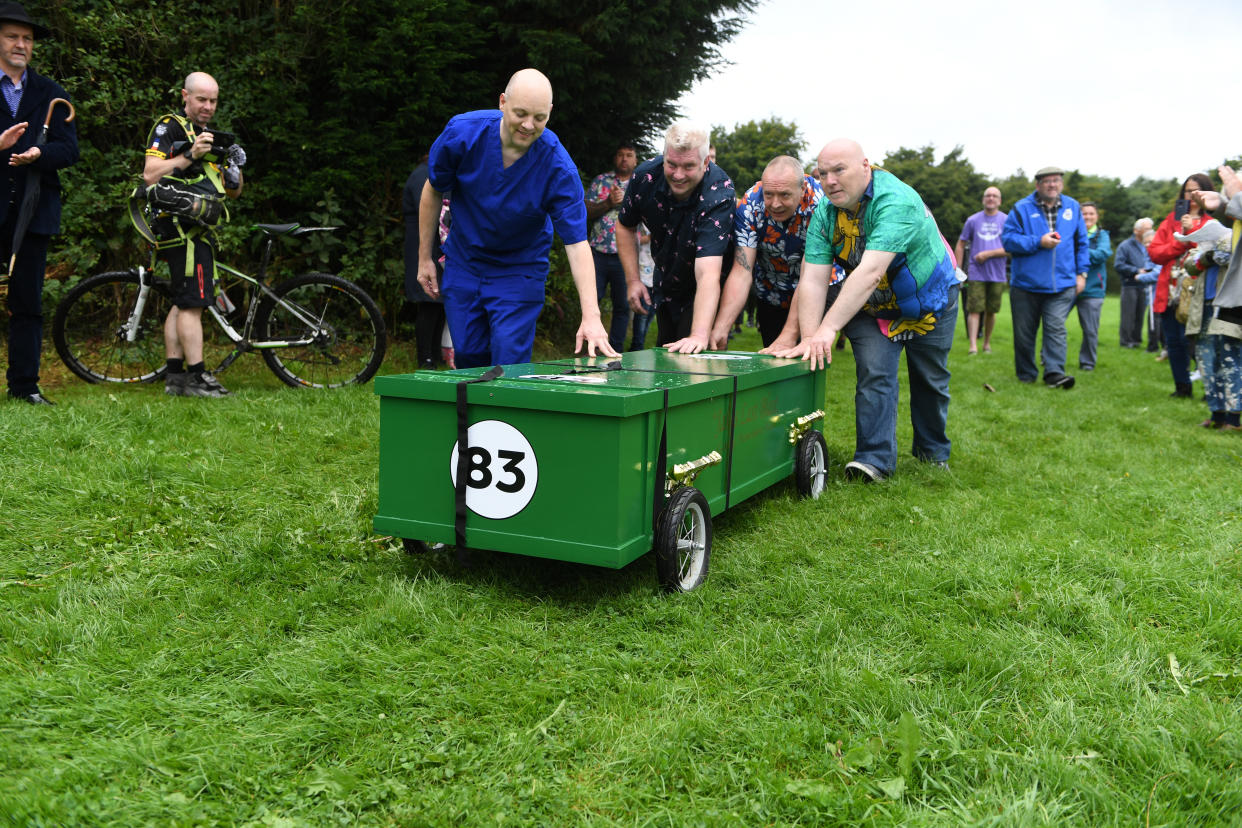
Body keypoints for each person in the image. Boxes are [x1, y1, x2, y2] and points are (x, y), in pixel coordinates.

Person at [778, 139, 959, 481]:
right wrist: (809, 336)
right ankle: (873, 461)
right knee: (875, 373)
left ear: (866, 166)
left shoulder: (896, 201)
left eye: (839, 170)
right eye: (822, 173)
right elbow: (814, 279)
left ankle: (933, 453)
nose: (829, 181)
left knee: (930, 380)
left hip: (931, 301)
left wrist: (829, 329)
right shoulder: (825, 214)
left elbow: (871, 270)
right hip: (874, 306)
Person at [416, 68, 615, 368]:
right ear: (502, 102)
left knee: (509, 360)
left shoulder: (558, 167)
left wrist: (591, 315)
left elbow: (576, 243)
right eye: (520, 113)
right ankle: (475, 416)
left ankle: (508, 411)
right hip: (465, 262)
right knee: (469, 356)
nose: (528, 125)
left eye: (539, 118)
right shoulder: (463, 133)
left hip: (519, 270)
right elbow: (432, 189)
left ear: (549, 112)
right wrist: (424, 258)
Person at [143, 71, 244, 398]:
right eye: (201, 99)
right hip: (177, 226)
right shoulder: (169, 126)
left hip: (199, 227)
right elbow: (150, 175)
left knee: (182, 301)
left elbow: (232, 194)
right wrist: (190, 155)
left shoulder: (210, 135)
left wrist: (234, 171)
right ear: (185, 97)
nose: (208, 106)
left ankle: (175, 379)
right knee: (193, 304)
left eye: (213, 100)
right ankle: (198, 377)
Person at [0, 2, 77, 405]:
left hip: (34, 214)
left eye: (27, 39)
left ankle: (25, 386)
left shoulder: (52, 93)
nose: (21, 44)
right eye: (12, 36)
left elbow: (70, 150)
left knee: (27, 302)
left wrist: (38, 156)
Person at [616, 121, 734, 352]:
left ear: (705, 162)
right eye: (671, 164)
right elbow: (625, 226)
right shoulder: (644, 178)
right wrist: (633, 280)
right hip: (667, 279)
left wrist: (699, 335)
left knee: (695, 362)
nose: (678, 175)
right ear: (664, 156)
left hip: (708, 284)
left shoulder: (719, 193)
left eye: (689, 166)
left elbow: (708, 272)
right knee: (667, 356)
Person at [709, 155, 822, 349]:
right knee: (774, 357)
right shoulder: (750, 204)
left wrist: (790, 333)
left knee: (807, 357)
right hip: (771, 291)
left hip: (816, 288)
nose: (775, 204)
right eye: (769, 194)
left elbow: (810, 276)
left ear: (802, 189)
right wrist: (721, 327)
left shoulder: (820, 204)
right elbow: (741, 272)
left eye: (785, 195)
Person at [1001, 166, 1088, 389]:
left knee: (1056, 328)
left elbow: (1082, 243)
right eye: (1047, 181)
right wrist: (1038, 242)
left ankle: (1054, 374)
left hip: (1063, 284)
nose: (1052, 185)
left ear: (1061, 184)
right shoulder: (1021, 208)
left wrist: (1082, 273)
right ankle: (1026, 374)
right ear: (1038, 185)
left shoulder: (1073, 207)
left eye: (1056, 181)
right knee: (1024, 334)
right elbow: (1008, 241)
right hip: (1026, 285)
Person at [1185, 166, 1242, 431]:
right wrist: (1205, 257)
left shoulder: (1231, 236)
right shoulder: (1218, 230)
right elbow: (1190, 264)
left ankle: (1233, 417)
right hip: (1206, 307)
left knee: (1230, 357)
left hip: (1229, 304)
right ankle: (1217, 413)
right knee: (1208, 360)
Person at [1148, 173, 1214, 398]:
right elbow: (1155, 252)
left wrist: (1190, 234)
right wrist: (1180, 242)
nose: (1192, 196)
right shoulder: (1171, 220)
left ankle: (1211, 388)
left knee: (1199, 343)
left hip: (1199, 290)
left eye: (1197, 190)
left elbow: (1212, 252)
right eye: (1188, 191)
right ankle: (1182, 387)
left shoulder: (1212, 221)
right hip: (1170, 292)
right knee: (1175, 342)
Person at [585, 142, 638, 352]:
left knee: (622, 306)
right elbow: (585, 211)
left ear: (635, 160)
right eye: (620, 154)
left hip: (625, 256)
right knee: (592, 301)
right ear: (615, 158)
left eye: (629, 155)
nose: (624, 159)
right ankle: (589, 343)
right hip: (597, 252)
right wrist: (608, 203)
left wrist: (626, 203)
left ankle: (614, 350)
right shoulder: (601, 181)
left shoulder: (640, 183)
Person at [402, 153, 449, 369]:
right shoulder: (424, 176)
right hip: (423, 248)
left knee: (439, 304)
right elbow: (435, 210)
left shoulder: (430, 173)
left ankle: (435, 355)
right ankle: (425, 358)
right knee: (429, 304)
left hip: (434, 247)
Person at [954, 187, 1007, 355]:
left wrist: (989, 253)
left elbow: (1013, 247)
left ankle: (986, 344)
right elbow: (961, 244)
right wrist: (958, 270)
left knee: (991, 311)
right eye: (987, 195)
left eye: (994, 196)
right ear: (983, 199)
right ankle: (973, 346)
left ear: (1000, 200)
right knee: (974, 309)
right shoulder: (973, 220)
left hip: (997, 274)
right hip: (976, 273)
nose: (991, 198)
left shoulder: (1007, 220)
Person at [1074, 202, 1111, 370]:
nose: (1087, 217)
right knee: (1054, 325)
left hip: (1093, 289)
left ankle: (1087, 363)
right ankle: (1049, 359)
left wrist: (1080, 250)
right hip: (1068, 286)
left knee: (1090, 330)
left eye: (1091, 214)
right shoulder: (1071, 233)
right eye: (1084, 214)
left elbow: (1102, 254)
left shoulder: (1102, 235)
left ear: (1097, 216)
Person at [1114, 217, 1156, 348]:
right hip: (1130, 283)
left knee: (1140, 314)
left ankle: (1136, 340)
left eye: (1151, 228)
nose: (1150, 231)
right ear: (1136, 230)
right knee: (1128, 314)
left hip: (1145, 284)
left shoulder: (1151, 244)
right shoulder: (1125, 246)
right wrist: (1136, 270)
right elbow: (1118, 265)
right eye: (1146, 229)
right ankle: (1126, 341)